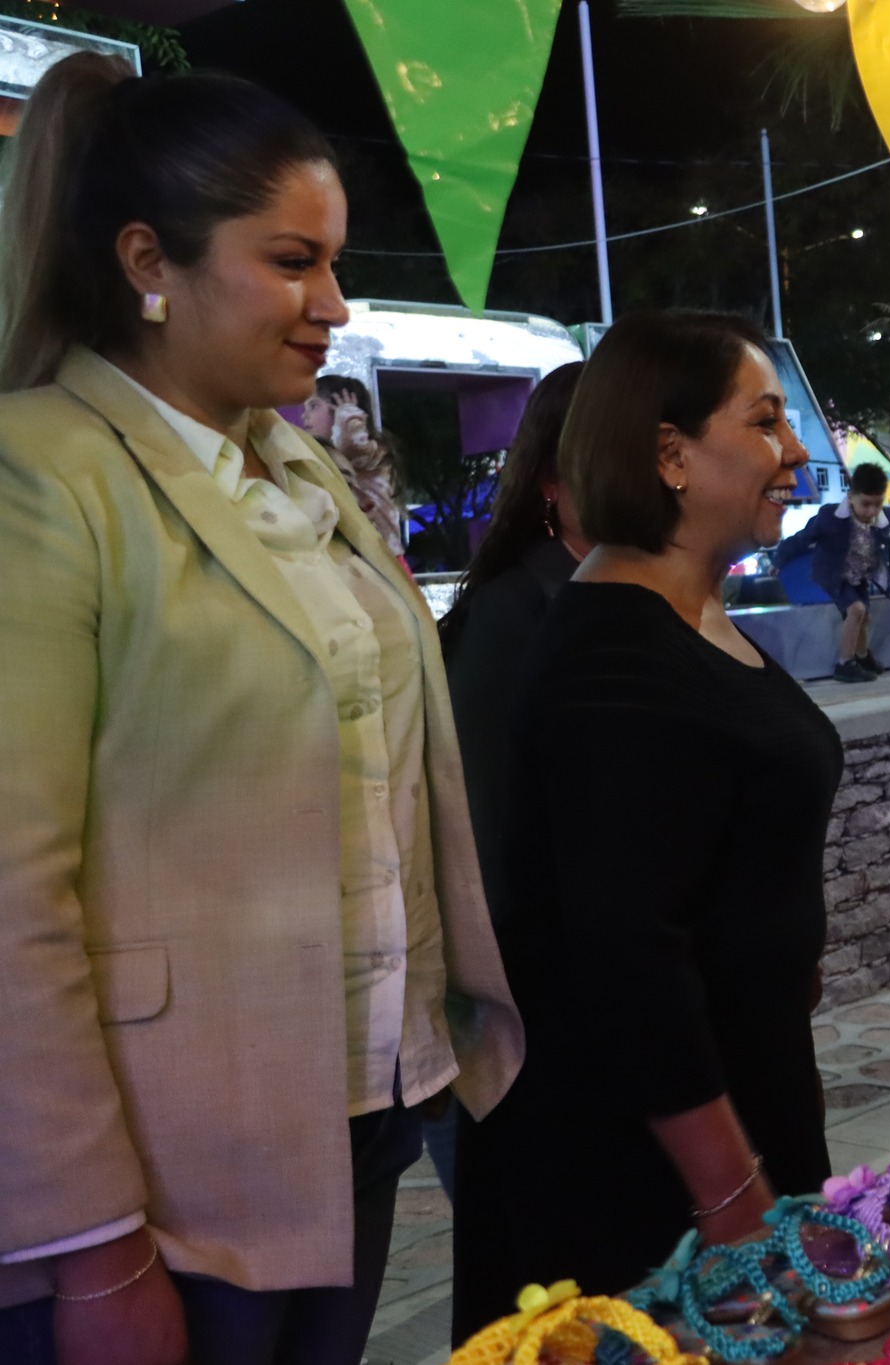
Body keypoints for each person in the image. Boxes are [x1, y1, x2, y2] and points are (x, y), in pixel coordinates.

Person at [0, 55, 522, 1365]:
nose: (333, 306)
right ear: (147, 261)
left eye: (335, 264)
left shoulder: (295, 470)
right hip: (166, 1165)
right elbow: (13, 895)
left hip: (357, 1101)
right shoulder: (44, 473)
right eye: (294, 261)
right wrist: (92, 1246)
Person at [452, 310, 835, 1339]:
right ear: (668, 453)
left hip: (747, 1095)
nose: (793, 452)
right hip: (652, 1174)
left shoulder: (687, 614)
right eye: (762, 423)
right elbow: (628, 963)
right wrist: (728, 1198)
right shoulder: (609, 659)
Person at [415, 359, 583, 1197]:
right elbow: (490, 864)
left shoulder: (631, 607)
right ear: (553, 480)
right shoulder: (509, 622)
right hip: (546, 1049)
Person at [775, 460, 890, 682]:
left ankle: (862, 656)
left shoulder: (885, 520)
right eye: (865, 504)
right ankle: (844, 663)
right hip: (834, 574)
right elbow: (802, 538)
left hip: (859, 577)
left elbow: (886, 553)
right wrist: (779, 558)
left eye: (877, 504)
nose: (872, 511)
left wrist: (889, 578)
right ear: (851, 498)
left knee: (865, 617)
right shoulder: (830, 517)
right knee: (856, 610)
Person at [301, 372, 406, 557]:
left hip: (382, 557)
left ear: (338, 411)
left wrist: (348, 414)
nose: (304, 416)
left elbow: (349, 443)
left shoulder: (370, 450)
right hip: (361, 555)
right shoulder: (331, 456)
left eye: (314, 406)